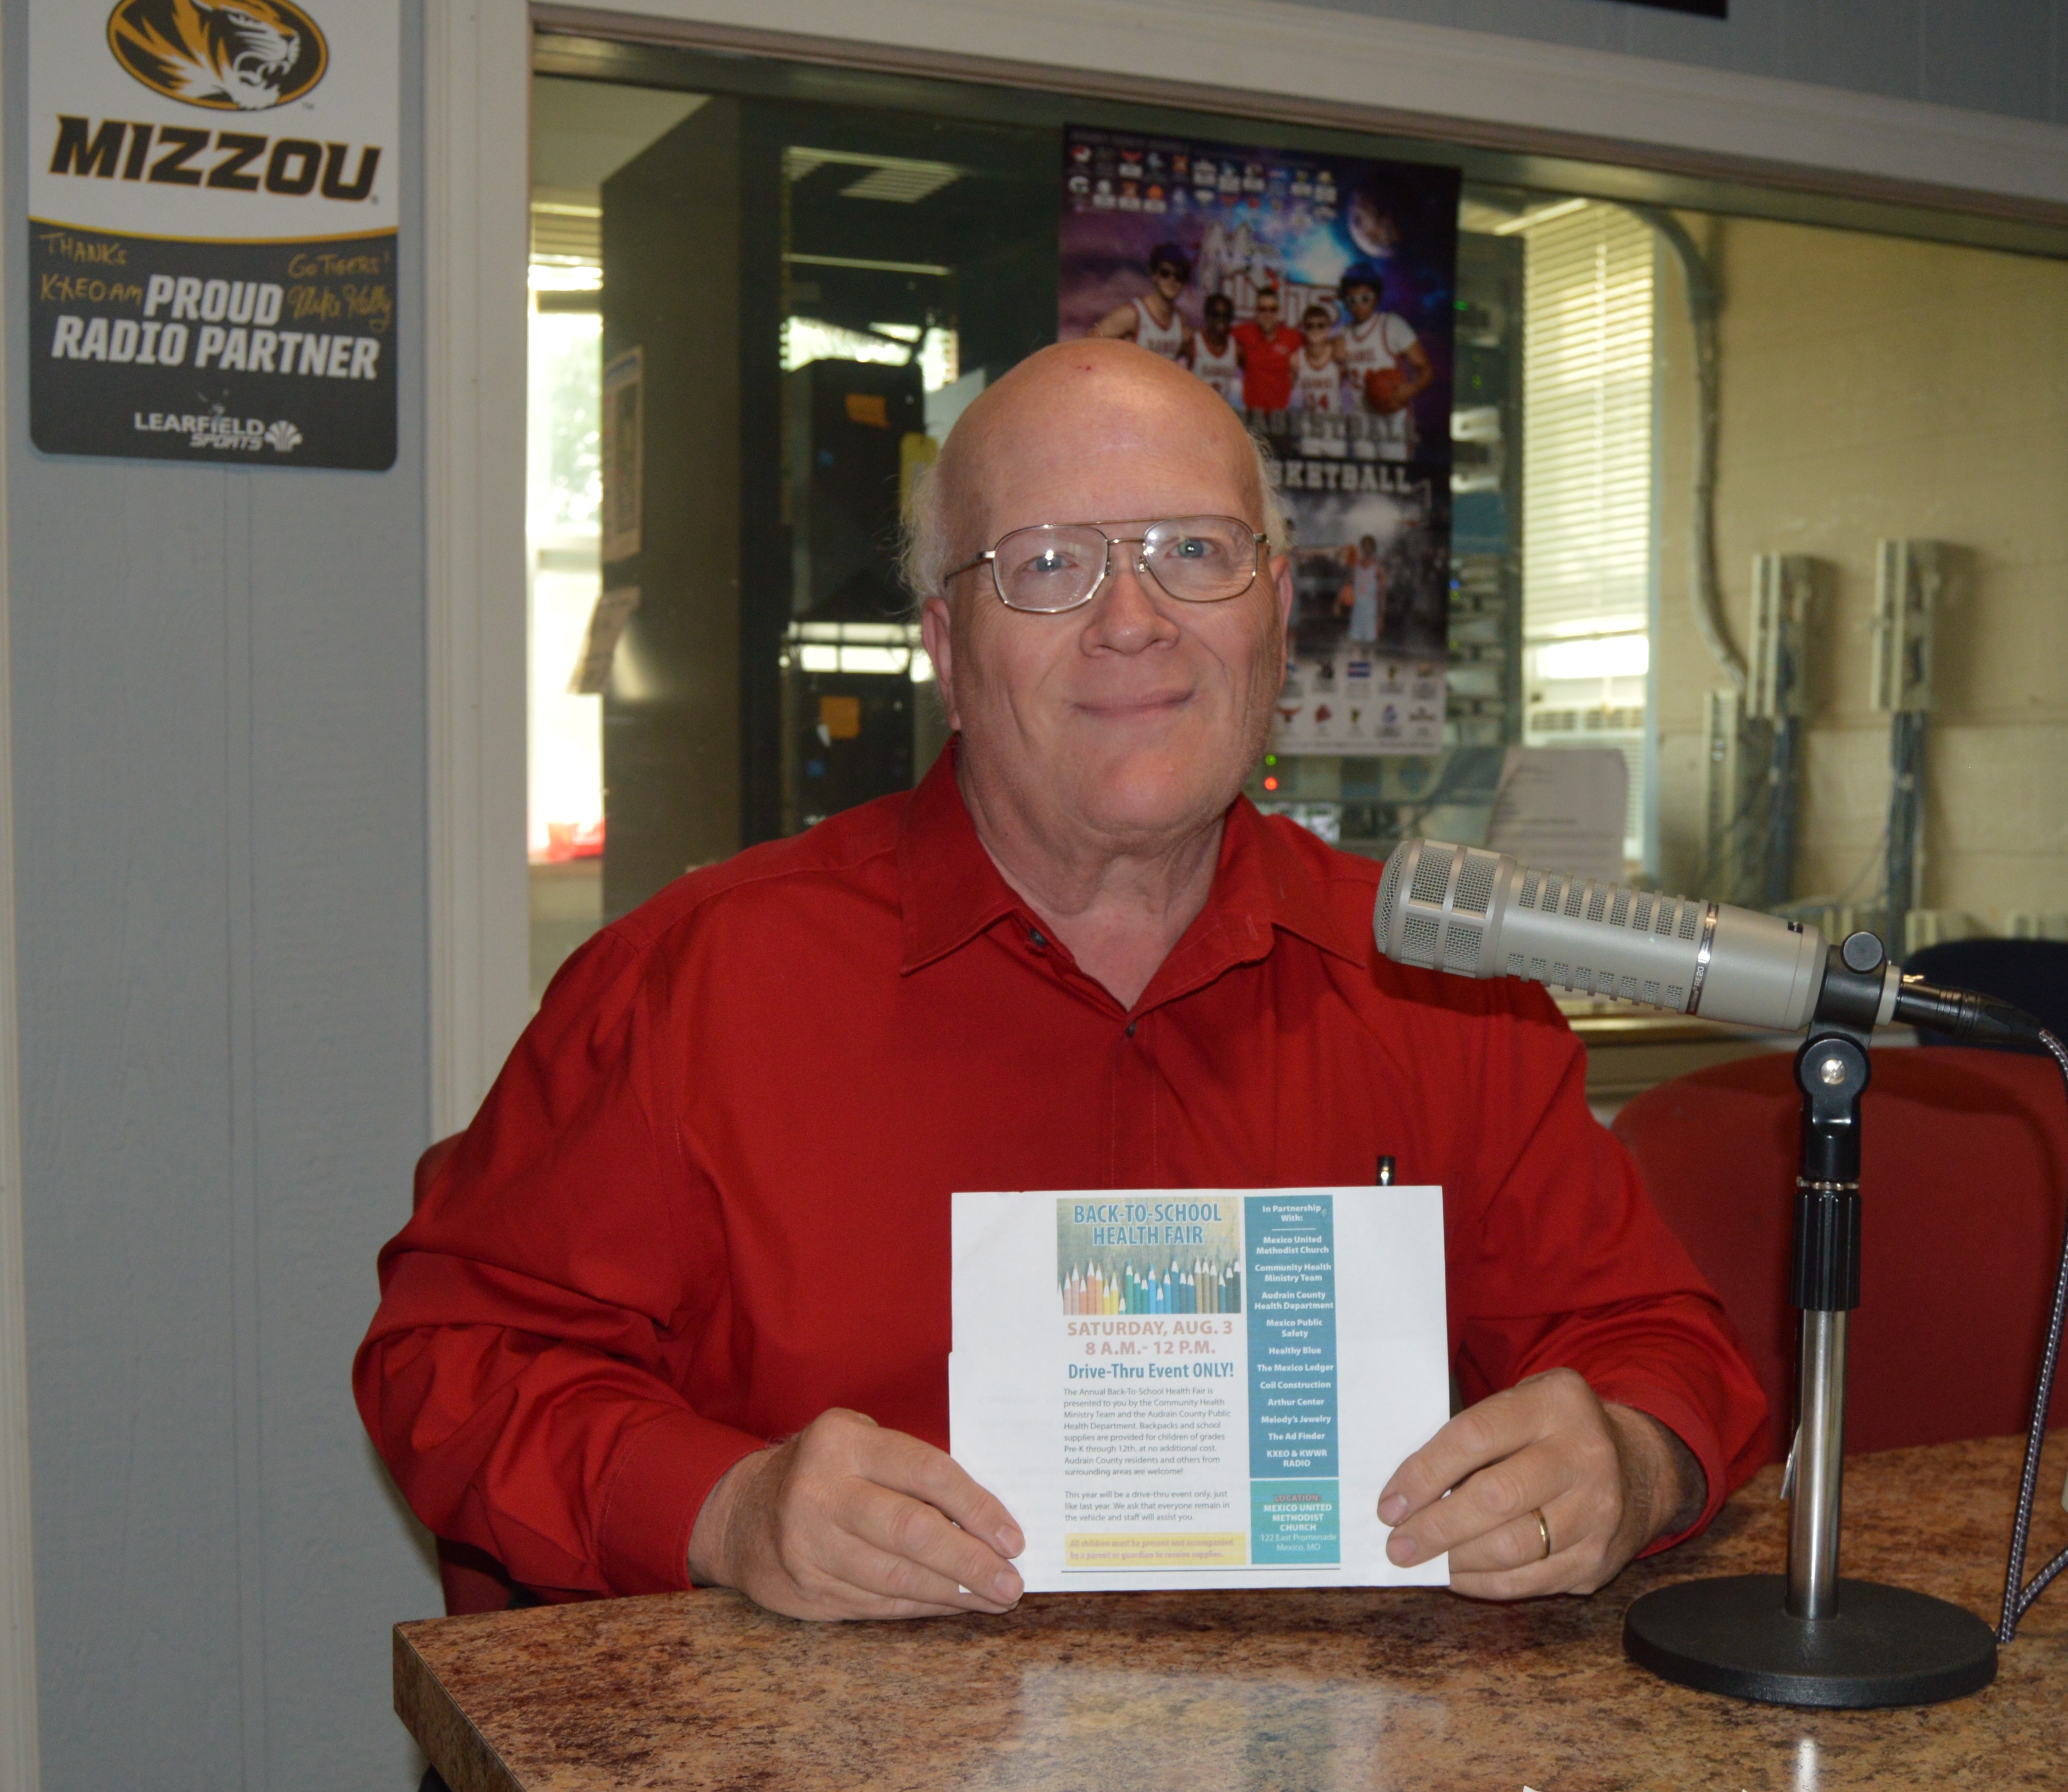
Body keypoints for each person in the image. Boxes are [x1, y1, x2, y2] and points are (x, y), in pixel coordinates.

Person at [356, 340, 1765, 1622]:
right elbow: (455, 1362)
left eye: (1193, 550)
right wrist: (726, 1507)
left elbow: (1651, 1341)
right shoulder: (696, 982)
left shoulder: (1439, 988)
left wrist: (1629, 1462)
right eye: (1045, 565)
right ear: (947, 650)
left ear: (1277, 611)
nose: (1133, 618)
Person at [1338, 263, 1431, 462]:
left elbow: (1425, 369)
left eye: (1365, 298)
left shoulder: (1391, 325)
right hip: (1361, 420)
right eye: (1352, 300)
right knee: (1365, 486)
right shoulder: (1343, 335)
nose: (1359, 305)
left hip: (1392, 420)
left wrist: (1411, 389)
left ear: (1377, 297)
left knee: (1396, 482)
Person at [1087, 243, 1193, 360]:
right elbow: (1089, 343)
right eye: (1165, 273)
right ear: (1154, 275)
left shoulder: (1179, 320)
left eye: (1180, 276)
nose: (1172, 281)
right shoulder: (1134, 314)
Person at [1231, 285, 1300, 411]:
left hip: (1280, 415)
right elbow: (1216, 333)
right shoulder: (1245, 333)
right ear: (1256, 311)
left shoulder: (1291, 337)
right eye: (1263, 309)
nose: (1268, 314)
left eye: (1272, 310)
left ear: (1279, 312)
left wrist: (1337, 342)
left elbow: (1317, 340)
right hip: (1252, 413)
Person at [1188, 291, 1243, 407]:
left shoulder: (1236, 349)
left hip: (1221, 413)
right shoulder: (1194, 345)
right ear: (1207, 316)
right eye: (1216, 314)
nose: (1221, 320)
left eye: (1226, 315)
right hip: (1196, 410)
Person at [1338, 534, 1386, 646]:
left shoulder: (1378, 568)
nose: (1367, 548)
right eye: (1365, 546)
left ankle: (1368, 663)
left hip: (1371, 611)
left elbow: (1382, 594)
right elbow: (1347, 585)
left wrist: (1381, 616)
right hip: (1357, 610)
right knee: (1356, 643)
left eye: (1370, 546)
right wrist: (1338, 603)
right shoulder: (1356, 566)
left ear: (1373, 549)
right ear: (1362, 548)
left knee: (1369, 644)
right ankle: (1357, 662)